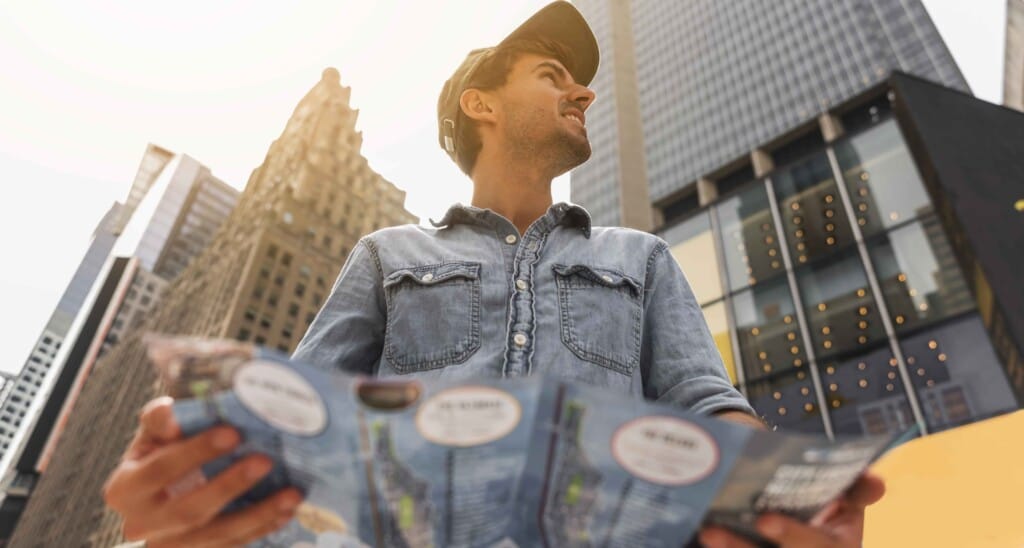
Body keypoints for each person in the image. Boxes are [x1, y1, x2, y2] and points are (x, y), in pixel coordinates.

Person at [103, 2, 884, 547]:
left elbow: (709, 406)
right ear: (481, 104)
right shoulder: (387, 254)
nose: (581, 90)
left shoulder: (640, 257)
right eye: (552, 74)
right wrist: (191, 492)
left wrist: (782, 507)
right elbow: (294, 420)